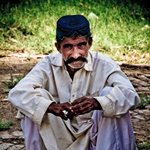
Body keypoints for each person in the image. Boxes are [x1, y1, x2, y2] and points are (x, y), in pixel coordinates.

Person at [8, 14, 140, 150]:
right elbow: (17, 93)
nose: (76, 54)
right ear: (58, 47)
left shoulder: (104, 64)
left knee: (112, 97)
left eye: (81, 45)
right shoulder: (47, 64)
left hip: (95, 139)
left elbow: (131, 96)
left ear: (90, 43)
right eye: (68, 47)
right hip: (57, 140)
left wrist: (98, 103)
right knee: (34, 101)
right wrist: (50, 106)